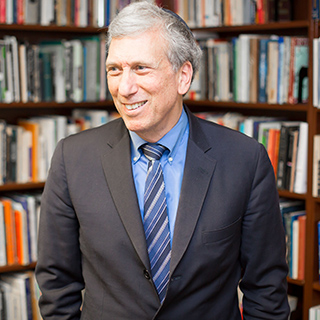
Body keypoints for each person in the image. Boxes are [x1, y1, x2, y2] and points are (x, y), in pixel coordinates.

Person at [35, 1, 290, 319]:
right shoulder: (72, 158)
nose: (124, 88)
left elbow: (266, 290)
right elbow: (57, 285)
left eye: (141, 68)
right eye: (115, 69)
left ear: (183, 76)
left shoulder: (245, 160)